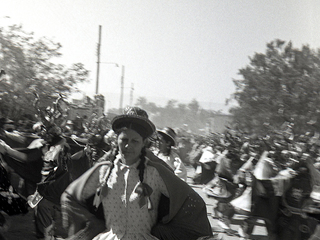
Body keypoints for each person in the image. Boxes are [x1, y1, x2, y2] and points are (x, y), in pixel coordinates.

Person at [61, 107, 213, 240]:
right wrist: (93, 222)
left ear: (144, 140)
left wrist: (160, 227)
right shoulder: (105, 166)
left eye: (135, 139)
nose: (128, 145)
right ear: (118, 138)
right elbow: (75, 196)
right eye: (124, 138)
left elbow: (184, 199)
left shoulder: (157, 169)